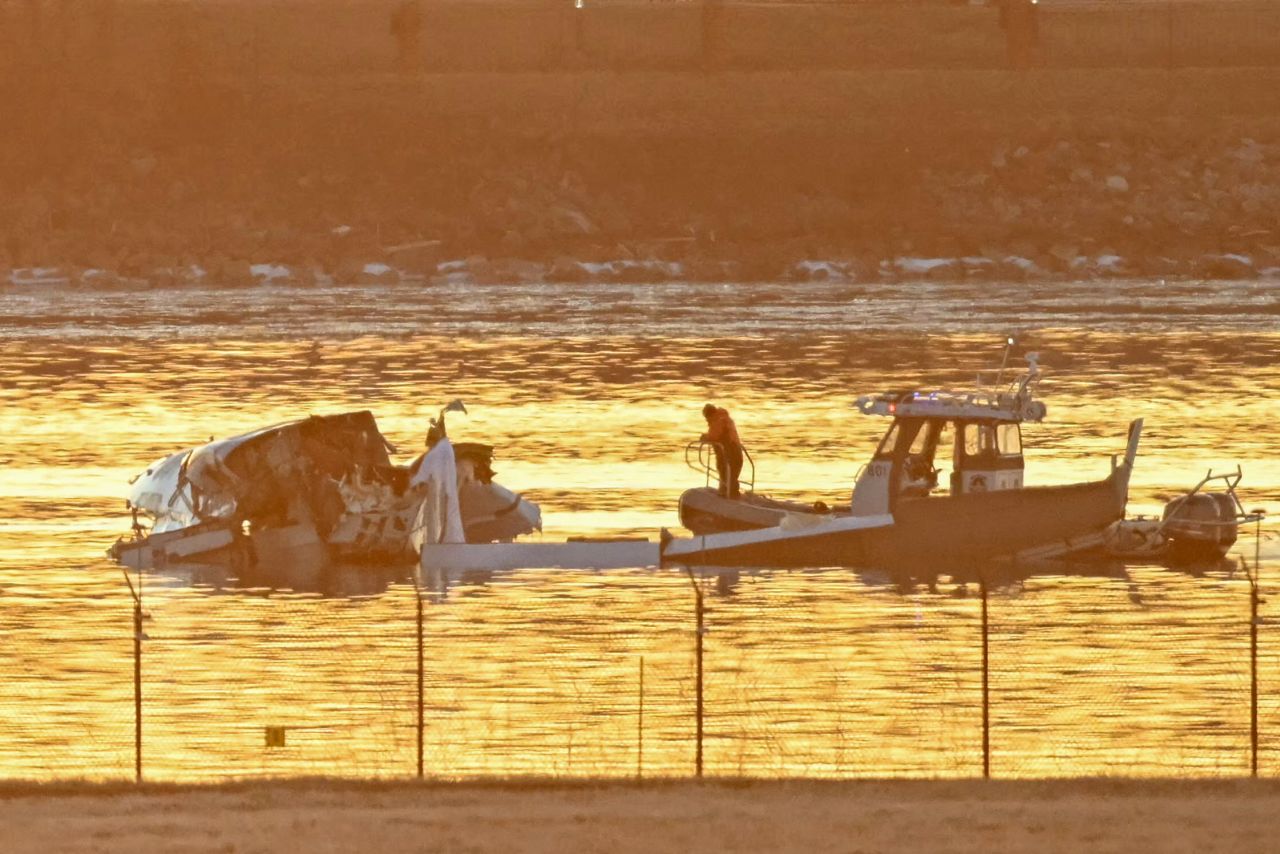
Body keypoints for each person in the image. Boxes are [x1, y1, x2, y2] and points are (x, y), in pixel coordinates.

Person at [701, 403, 744, 499]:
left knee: (727, 473)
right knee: (730, 474)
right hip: (735, 451)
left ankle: (730, 495)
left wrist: (704, 437)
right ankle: (729, 492)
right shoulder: (724, 418)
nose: (707, 420)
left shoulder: (718, 420)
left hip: (729, 453)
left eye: (706, 418)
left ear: (709, 415)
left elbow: (713, 436)